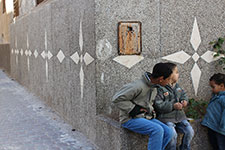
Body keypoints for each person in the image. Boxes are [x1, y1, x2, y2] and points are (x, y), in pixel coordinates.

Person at [112, 62, 173, 150]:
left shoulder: (154, 86)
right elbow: (116, 99)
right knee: (157, 130)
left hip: (145, 117)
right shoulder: (138, 86)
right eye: (168, 79)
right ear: (161, 78)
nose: (169, 82)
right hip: (130, 119)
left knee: (169, 132)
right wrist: (134, 109)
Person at [154, 63, 194, 150]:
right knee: (172, 134)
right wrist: (173, 105)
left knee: (189, 131)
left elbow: (184, 95)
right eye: (176, 72)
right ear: (170, 74)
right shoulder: (160, 88)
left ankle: (184, 148)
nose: (178, 74)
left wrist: (184, 101)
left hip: (180, 117)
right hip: (166, 119)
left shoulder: (177, 86)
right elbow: (158, 105)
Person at [201, 73, 225, 150]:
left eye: (213, 87)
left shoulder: (223, 99)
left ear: (221, 86)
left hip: (221, 131)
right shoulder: (216, 95)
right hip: (213, 128)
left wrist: (223, 129)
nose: (211, 89)